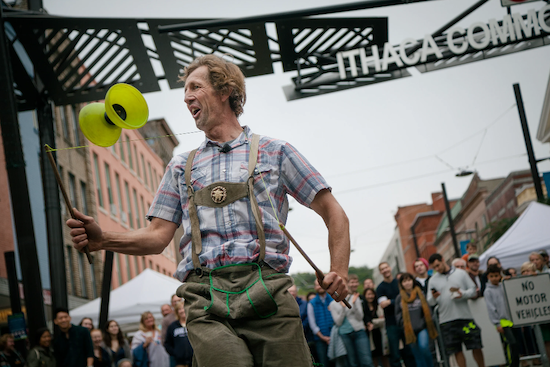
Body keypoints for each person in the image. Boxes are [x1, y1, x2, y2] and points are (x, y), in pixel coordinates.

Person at [67, 54, 350, 367]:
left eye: (195, 87)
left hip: (269, 294)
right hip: (206, 299)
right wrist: (103, 239)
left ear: (225, 90)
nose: (187, 97)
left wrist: (339, 269)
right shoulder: (179, 167)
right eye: (185, 91)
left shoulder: (276, 151)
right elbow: (157, 236)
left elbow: (333, 212)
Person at [427, 253, 484, 367]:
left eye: (438, 265)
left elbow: (473, 290)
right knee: (457, 350)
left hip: (465, 317)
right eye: (434, 267)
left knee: (476, 346)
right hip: (446, 320)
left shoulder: (461, 273)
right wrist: (434, 297)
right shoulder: (433, 280)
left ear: (443, 260)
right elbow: (430, 302)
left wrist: (462, 294)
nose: (437, 269)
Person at [376, 262, 415, 367]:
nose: (385, 270)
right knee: (394, 354)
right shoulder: (380, 288)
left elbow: (406, 299)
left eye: (386, 267)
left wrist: (390, 301)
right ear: (380, 272)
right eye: (382, 269)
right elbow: (383, 304)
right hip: (391, 324)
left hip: (405, 321)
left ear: (390, 268)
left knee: (409, 352)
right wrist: (397, 301)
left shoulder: (399, 283)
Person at [329, 274, 374, 367]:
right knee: (352, 362)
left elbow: (360, 317)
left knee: (366, 360)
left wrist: (353, 304)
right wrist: (343, 308)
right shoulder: (333, 304)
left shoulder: (354, 298)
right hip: (345, 334)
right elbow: (338, 322)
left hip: (359, 331)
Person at [395, 273, 438, 367]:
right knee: (417, 355)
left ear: (413, 281)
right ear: (401, 283)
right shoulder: (399, 298)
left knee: (424, 348)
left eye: (409, 280)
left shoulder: (420, 294)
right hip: (409, 330)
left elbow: (428, 311)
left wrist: (423, 323)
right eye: (404, 281)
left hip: (422, 327)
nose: (407, 283)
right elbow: (398, 315)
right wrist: (404, 324)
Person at [483, 264, 519, 367]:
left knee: (516, 344)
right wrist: (497, 323)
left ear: (500, 276)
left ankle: (516, 364)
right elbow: (491, 308)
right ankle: (510, 364)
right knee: (510, 344)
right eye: (491, 276)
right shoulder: (488, 291)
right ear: (488, 277)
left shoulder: (504, 286)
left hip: (512, 320)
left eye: (496, 276)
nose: (494, 278)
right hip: (502, 322)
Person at [307, 279, 335, 367]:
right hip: (320, 339)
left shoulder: (333, 299)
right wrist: (323, 337)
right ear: (315, 287)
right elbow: (312, 324)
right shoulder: (311, 303)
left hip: (335, 337)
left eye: (321, 284)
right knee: (324, 363)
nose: (320, 287)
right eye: (317, 285)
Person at [362, 287, 389, 367]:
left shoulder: (379, 306)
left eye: (372, 294)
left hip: (380, 334)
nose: (370, 296)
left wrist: (372, 323)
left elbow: (384, 320)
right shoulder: (363, 308)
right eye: (368, 294)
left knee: (384, 357)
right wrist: (377, 321)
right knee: (374, 358)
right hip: (370, 335)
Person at [164, 301, 193, 367]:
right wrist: (176, 353)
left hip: (195, 361)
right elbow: (167, 343)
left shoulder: (193, 324)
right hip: (179, 363)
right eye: (179, 309)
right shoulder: (172, 326)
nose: (182, 310)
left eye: (183, 308)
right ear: (177, 312)